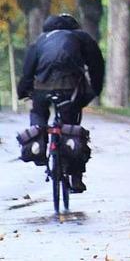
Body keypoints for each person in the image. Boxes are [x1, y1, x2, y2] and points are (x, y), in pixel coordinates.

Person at [17, 13, 105, 193]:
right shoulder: (81, 37)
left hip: (41, 87)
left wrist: (23, 91)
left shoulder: (41, 40)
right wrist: (95, 89)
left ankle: (38, 145)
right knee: (71, 123)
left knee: (38, 112)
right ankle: (76, 176)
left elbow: (28, 69)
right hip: (70, 87)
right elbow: (96, 64)